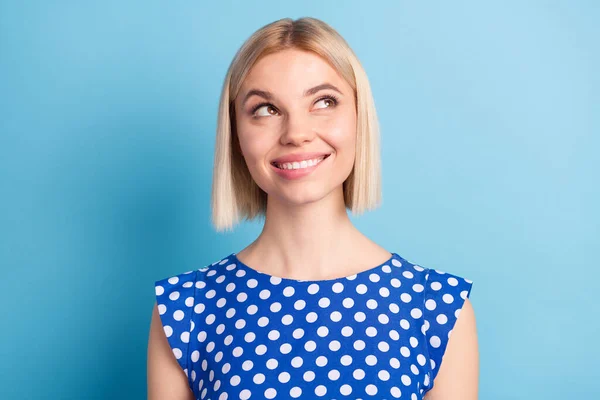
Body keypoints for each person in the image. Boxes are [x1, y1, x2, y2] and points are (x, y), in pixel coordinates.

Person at [147, 17, 478, 400]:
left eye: (324, 102)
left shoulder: (436, 308)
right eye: (266, 109)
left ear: (359, 118)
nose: (296, 133)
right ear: (236, 134)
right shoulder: (185, 309)